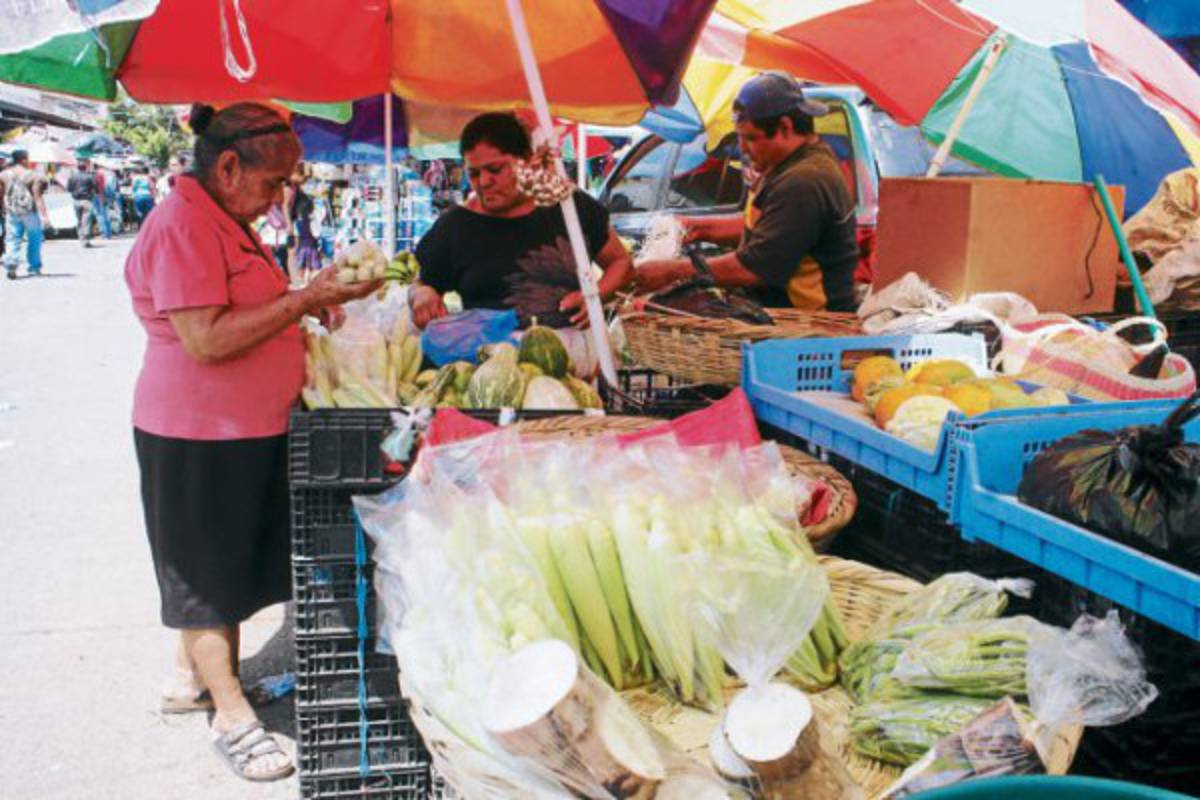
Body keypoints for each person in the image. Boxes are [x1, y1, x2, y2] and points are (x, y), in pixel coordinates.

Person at [124, 102, 379, 782]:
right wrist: (301, 300)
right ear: (228, 166)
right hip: (197, 432)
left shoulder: (223, 218)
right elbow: (205, 339)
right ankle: (232, 717)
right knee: (203, 578)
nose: (280, 198)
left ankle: (193, 681)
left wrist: (302, 300)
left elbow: (245, 309)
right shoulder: (183, 223)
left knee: (223, 564)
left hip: (242, 429)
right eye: (273, 184)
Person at [635, 72, 860, 312]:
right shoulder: (792, 165)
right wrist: (699, 228)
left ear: (786, 127)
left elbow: (755, 268)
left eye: (751, 138)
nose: (742, 149)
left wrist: (671, 271)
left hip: (809, 326)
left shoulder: (803, 182)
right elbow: (773, 230)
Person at [410, 112, 632, 330]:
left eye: (495, 169)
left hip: (576, 357)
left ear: (526, 160)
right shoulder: (455, 226)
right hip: (489, 359)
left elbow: (621, 263)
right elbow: (419, 282)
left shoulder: (570, 206)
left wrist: (595, 295)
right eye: (474, 173)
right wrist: (421, 294)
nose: (484, 181)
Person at [1, 149, 51, 279]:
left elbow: (1, 195)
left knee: (12, 239)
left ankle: (11, 263)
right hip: (30, 212)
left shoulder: (3, 175)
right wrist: (44, 216)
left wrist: (3, 209)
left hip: (12, 212)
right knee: (34, 239)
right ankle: (34, 267)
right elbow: (37, 197)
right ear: (23, 159)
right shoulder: (33, 175)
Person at [283, 163, 322, 282]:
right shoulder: (288, 188)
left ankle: (296, 279)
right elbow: (285, 207)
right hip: (291, 225)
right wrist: (289, 224)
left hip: (295, 224)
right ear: (294, 173)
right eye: (303, 177)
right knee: (292, 252)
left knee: (295, 251)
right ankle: (294, 279)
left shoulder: (295, 187)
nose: (304, 180)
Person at [67, 158, 101, 247]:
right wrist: (95, 192)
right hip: (87, 200)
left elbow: (69, 189)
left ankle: (82, 239)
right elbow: (96, 188)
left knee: (79, 220)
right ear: (85, 167)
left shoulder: (72, 177)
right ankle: (86, 238)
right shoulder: (90, 176)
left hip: (76, 201)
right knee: (86, 220)